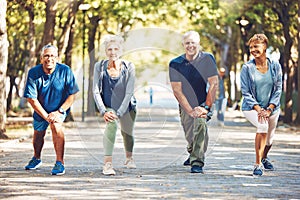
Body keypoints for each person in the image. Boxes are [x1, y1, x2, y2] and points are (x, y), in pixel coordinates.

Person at [23, 44, 79, 175]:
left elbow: (72, 94)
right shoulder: (33, 73)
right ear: (41, 58)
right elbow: (32, 99)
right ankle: (36, 158)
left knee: (56, 126)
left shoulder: (65, 71)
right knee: (38, 133)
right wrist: (46, 115)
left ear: (57, 58)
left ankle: (60, 162)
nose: (49, 59)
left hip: (59, 108)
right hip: (41, 109)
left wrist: (59, 111)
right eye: (46, 56)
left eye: (52, 56)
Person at [169, 31, 219, 173]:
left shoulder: (208, 59)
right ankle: (193, 152)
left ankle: (197, 162)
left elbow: (214, 84)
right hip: (186, 104)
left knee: (200, 124)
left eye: (193, 42)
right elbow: (177, 90)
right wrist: (190, 110)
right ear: (183, 45)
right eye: (187, 43)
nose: (190, 45)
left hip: (205, 101)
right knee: (190, 134)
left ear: (198, 43)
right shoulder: (175, 63)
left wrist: (205, 107)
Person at [93, 35, 137, 176]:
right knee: (111, 125)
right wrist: (104, 111)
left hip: (127, 105)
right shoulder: (99, 67)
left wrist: (120, 112)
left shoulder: (129, 66)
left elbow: (129, 92)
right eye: (109, 49)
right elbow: (95, 91)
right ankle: (107, 164)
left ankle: (129, 158)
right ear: (106, 51)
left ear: (121, 50)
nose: (113, 52)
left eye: (116, 49)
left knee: (127, 133)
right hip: (109, 105)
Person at [240, 33, 282, 176]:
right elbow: (245, 92)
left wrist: (270, 108)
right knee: (262, 125)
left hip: (272, 108)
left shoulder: (275, 66)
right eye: (251, 47)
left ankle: (264, 157)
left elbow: (278, 89)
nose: (253, 49)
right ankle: (257, 164)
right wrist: (259, 109)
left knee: (269, 138)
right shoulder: (247, 68)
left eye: (256, 46)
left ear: (265, 47)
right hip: (251, 107)